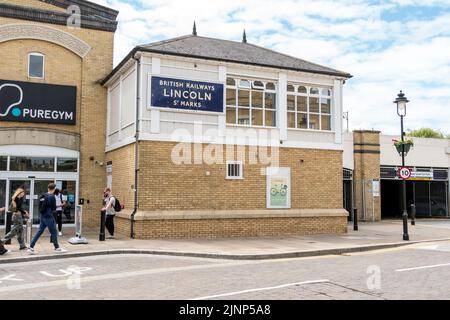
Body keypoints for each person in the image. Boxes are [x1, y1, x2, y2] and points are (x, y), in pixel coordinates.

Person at [28, 183, 67, 254]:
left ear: (48, 188)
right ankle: (57, 247)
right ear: (54, 189)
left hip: (43, 216)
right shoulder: (52, 197)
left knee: (39, 231)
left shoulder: (43, 195)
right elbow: (53, 207)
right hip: (49, 216)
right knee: (54, 232)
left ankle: (31, 246)